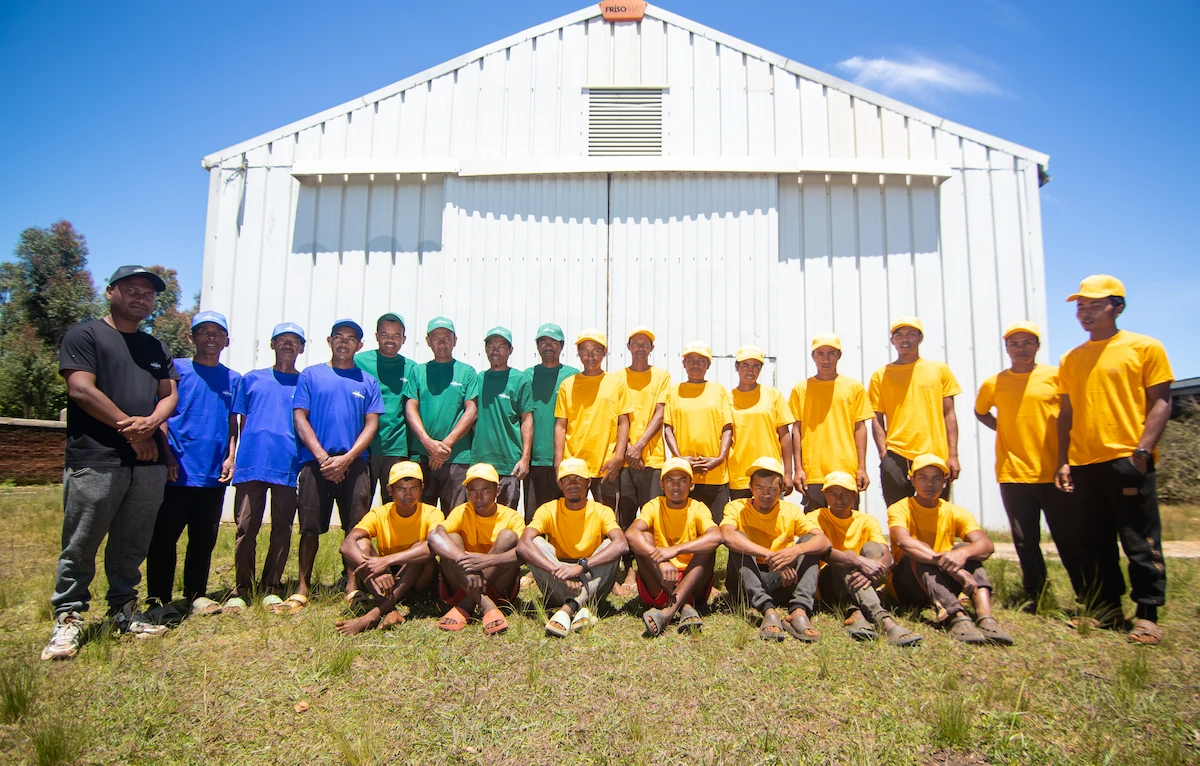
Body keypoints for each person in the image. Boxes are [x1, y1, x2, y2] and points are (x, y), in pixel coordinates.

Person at [43, 266, 180, 661]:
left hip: (148, 463)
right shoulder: (85, 335)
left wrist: (152, 424)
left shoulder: (155, 347)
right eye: (132, 290)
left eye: (148, 294)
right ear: (110, 292)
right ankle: (68, 617)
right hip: (97, 459)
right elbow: (80, 389)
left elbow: (168, 396)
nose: (141, 298)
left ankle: (123, 608)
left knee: (132, 542)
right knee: (82, 541)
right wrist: (132, 431)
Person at [1056, 275, 1174, 644]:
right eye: (1080, 307)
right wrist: (1064, 460)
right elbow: (1066, 415)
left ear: (1117, 307)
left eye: (1094, 305)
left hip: (1127, 458)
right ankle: (1106, 609)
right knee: (1093, 541)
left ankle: (1147, 614)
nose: (1085, 313)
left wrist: (1142, 450)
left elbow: (1162, 402)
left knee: (1138, 539)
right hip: (1084, 463)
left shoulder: (1144, 347)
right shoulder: (1071, 358)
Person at [975, 321, 1079, 608]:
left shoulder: (1056, 378)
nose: (1020, 348)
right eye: (1014, 343)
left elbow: (1071, 416)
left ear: (1037, 346)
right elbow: (980, 411)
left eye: (1027, 342)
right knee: (1024, 540)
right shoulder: (994, 383)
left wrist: (1065, 461)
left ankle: (1086, 595)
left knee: (1067, 536)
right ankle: (1036, 594)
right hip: (1013, 472)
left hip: (1053, 472)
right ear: (1007, 348)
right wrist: (1004, 429)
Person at [146, 311, 241, 621]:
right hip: (178, 470)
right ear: (191, 338)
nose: (211, 337)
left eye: (217, 333)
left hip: (212, 474)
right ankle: (159, 598)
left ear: (227, 341)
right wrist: (168, 457)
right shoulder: (176, 372)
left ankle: (196, 594)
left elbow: (232, 424)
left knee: (203, 539)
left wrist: (231, 456)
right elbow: (160, 416)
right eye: (204, 332)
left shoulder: (233, 379)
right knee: (164, 538)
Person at [289, 319, 384, 612]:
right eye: (339, 337)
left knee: (355, 529)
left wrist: (347, 458)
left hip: (354, 465)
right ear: (329, 341)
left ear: (360, 345)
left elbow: (371, 425)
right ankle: (303, 586)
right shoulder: (311, 375)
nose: (344, 342)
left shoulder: (367, 381)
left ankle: (352, 586)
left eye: (351, 338)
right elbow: (300, 417)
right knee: (309, 528)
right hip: (316, 463)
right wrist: (322, 457)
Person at [888, 454, 1012, 645]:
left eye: (937, 478)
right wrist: (953, 567)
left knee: (967, 548)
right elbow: (904, 542)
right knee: (917, 551)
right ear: (912, 480)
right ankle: (955, 616)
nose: (930, 483)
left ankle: (985, 617)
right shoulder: (900, 508)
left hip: (946, 579)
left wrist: (962, 554)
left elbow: (986, 545)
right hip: (908, 585)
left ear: (945, 483)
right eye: (923, 477)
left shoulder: (956, 512)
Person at [228, 322, 305, 612]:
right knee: (246, 528)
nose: (287, 345)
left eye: (294, 341)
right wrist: (233, 456)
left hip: (287, 464)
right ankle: (242, 588)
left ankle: (272, 586)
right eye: (281, 340)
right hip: (251, 464)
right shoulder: (251, 380)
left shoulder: (305, 383)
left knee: (282, 529)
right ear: (271, 345)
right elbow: (238, 422)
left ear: (302, 348)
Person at [721, 457, 830, 642]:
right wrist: (772, 556)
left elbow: (823, 541)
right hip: (745, 582)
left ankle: (798, 611)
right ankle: (767, 610)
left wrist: (794, 551)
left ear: (781, 490)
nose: (766, 494)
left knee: (809, 541)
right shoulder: (736, 507)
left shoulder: (791, 510)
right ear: (750, 487)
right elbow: (727, 536)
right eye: (759, 488)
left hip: (782, 580)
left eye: (773, 489)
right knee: (738, 538)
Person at [517, 458, 630, 637]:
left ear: (588, 482)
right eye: (567, 479)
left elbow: (622, 544)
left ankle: (568, 609)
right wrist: (559, 570)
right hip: (559, 580)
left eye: (578, 479)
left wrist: (580, 567)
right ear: (559, 484)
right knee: (535, 542)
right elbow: (523, 544)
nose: (572, 484)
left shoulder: (602, 511)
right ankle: (582, 607)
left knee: (611, 545)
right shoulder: (548, 509)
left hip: (591, 574)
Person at [808, 471, 922, 646]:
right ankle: (883, 619)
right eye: (833, 494)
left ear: (855, 495)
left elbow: (887, 555)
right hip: (829, 583)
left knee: (872, 547)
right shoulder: (814, 517)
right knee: (847, 556)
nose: (839, 499)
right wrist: (858, 562)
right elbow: (823, 552)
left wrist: (871, 571)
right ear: (825, 495)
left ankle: (856, 612)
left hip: (863, 579)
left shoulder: (867, 520)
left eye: (845, 494)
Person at [335, 461, 442, 635]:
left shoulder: (431, 513)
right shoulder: (380, 513)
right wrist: (377, 570)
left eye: (414, 488)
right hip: (385, 583)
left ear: (422, 489)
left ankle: (375, 613)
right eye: (401, 489)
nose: (408, 494)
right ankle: (390, 609)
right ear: (390, 490)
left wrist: (386, 560)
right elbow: (347, 545)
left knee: (422, 548)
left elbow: (434, 547)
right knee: (362, 543)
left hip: (417, 582)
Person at [869, 317, 962, 506]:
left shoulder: (939, 370)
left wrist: (953, 455)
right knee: (898, 515)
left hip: (934, 453)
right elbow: (876, 417)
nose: (905, 339)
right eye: (899, 334)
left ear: (920, 338)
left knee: (935, 513)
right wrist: (883, 455)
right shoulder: (881, 375)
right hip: (896, 453)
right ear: (892, 340)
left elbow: (949, 414)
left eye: (911, 334)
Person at [427, 463, 526, 635]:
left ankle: (467, 603)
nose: (478, 497)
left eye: (485, 490)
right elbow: (434, 536)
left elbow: (524, 554)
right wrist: (462, 560)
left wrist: (487, 560)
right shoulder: (462, 511)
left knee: (508, 537)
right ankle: (485, 604)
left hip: (499, 589)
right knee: (451, 538)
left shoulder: (512, 517)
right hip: (464, 580)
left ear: (498, 491)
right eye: (472, 491)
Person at [626, 457, 721, 636]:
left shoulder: (698, 508)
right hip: (660, 580)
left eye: (682, 480)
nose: (676, 486)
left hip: (693, 583)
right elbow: (631, 534)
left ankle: (668, 611)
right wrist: (661, 561)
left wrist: (675, 549)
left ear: (691, 485)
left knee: (706, 545)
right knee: (643, 537)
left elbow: (717, 536)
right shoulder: (654, 505)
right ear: (661, 485)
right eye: (670, 480)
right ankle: (683, 606)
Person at [612, 326, 671, 595]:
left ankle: (651, 562)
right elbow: (614, 417)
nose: (640, 347)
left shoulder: (661, 377)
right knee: (625, 515)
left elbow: (660, 414)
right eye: (635, 343)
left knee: (651, 517)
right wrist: (626, 451)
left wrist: (639, 446)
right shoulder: (617, 378)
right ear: (628, 347)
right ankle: (629, 567)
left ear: (651, 349)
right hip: (623, 460)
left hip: (652, 458)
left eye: (645, 343)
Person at [403, 317, 480, 511]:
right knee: (420, 517)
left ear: (455, 340)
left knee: (455, 518)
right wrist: (428, 443)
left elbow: (471, 411)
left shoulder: (467, 372)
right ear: (428, 341)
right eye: (436, 337)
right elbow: (411, 408)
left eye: (447, 337)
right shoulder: (417, 371)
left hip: (456, 458)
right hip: (421, 455)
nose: (442, 341)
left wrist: (444, 447)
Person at [789, 334, 873, 509]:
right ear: (813, 357)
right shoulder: (801, 389)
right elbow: (796, 430)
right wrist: (798, 469)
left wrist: (862, 468)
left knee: (847, 526)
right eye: (820, 354)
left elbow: (860, 429)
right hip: (813, 471)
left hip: (846, 470)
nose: (825, 359)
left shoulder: (854, 388)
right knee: (814, 529)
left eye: (831, 353)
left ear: (839, 356)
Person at [553, 329, 632, 510]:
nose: (590, 356)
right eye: (585, 351)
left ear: (604, 353)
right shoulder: (568, 385)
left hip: (606, 465)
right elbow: (560, 426)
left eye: (596, 350)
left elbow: (623, 422)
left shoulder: (616, 383)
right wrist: (558, 462)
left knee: (608, 519)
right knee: (572, 515)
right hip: (573, 464)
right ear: (578, 353)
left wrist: (619, 457)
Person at [664, 341, 733, 521]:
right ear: (684, 363)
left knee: (715, 528)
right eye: (691, 360)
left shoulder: (718, 391)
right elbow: (668, 428)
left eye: (701, 361)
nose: (695, 365)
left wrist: (718, 459)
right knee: (685, 526)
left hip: (714, 474)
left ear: (708, 365)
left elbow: (727, 427)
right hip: (684, 474)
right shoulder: (674, 391)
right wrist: (679, 458)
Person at [354, 312, 416, 504]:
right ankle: (357, 535)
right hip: (363, 446)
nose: (390, 339)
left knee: (394, 505)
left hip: (396, 448)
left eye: (396, 335)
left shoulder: (411, 368)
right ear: (376, 336)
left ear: (404, 339)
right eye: (385, 334)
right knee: (359, 502)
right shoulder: (359, 362)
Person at [470, 327, 533, 509]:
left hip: (509, 464)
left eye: (501, 346)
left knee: (507, 518)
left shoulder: (520, 380)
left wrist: (525, 458)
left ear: (510, 350)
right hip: (480, 462)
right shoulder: (477, 379)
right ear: (485, 349)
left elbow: (527, 419)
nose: (495, 350)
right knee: (479, 515)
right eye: (491, 345)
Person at [523, 322, 578, 521]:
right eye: (543, 341)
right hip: (535, 458)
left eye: (553, 342)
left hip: (566, 459)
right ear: (537, 346)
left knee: (564, 516)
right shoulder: (527, 377)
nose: (548, 346)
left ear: (562, 346)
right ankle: (532, 551)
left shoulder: (574, 376)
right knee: (533, 516)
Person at [728, 345, 793, 500]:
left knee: (773, 522)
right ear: (736, 367)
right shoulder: (726, 399)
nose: (750, 370)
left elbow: (784, 436)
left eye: (756, 366)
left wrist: (788, 473)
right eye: (745, 365)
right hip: (739, 474)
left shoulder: (773, 396)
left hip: (770, 473)